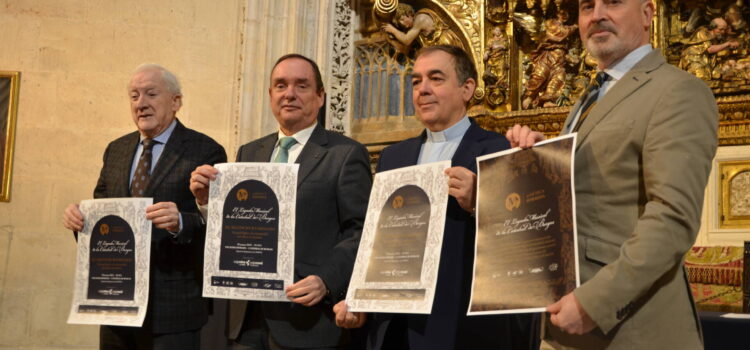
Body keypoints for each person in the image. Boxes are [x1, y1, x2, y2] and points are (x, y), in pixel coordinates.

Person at [507, 0, 718, 348]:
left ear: (648, 14)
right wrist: (542, 162)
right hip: (567, 321)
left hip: (629, 326)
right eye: (587, 6)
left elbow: (672, 217)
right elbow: (593, 194)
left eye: (614, 2)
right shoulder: (591, 96)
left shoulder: (678, 90)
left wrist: (594, 303)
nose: (597, 15)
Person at [335, 45, 537, 350]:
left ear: (467, 88)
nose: (423, 90)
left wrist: (479, 201)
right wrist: (358, 296)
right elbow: (375, 239)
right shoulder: (393, 157)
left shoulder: (499, 150)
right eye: (416, 81)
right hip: (393, 326)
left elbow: (526, 240)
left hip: (460, 326)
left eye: (436, 79)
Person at [189, 54, 372, 349]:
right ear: (270, 95)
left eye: (301, 85)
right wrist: (207, 203)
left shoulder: (345, 154)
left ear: (320, 96)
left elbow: (360, 231)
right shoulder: (249, 153)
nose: (289, 93)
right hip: (246, 318)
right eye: (281, 85)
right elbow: (233, 230)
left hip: (308, 318)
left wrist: (327, 280)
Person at [61, 64, 227, 349]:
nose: (141, 104)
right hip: (115, 304)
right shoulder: (116, 150)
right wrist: (81, 221)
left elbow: (221, 228)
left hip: (173, 309)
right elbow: (104, 215)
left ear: (176, 102)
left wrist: (182, 222)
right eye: (134, 96)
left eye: (151, 94)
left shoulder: (206, 150)